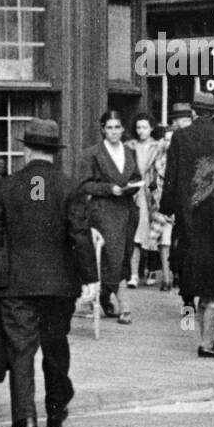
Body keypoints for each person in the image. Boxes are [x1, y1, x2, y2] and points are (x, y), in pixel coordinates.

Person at [0, 119, 99, 427]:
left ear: (26, 149)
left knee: (21, 350)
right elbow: (80, 236)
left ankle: (26, 420)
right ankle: (56, 409)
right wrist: (91, 278)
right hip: (60, 285)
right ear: (54, 152)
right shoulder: (71, 187)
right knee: (55, 345)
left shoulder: (4, 186)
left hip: (15, 283)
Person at [159, 91, 214, 311]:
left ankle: (187, 319)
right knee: (213, 271)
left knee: (187, 270)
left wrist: (167, 207)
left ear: (193, 112)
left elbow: (171, 176)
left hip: (188, 212)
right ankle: (208, 311)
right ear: (213, 113)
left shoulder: (180, 137)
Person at [78, 111, 140, 324]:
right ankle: (125, 307)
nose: (114, 131)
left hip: (127, 210)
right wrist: (108, 188)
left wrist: (131, 187)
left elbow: (136, 177)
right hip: (104, 211)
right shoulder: (93, 153)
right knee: (113, 257)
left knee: (124, 254)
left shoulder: (129, 151)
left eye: (117, 127)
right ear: (103, 129)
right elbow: (85, 184)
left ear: (123, 129)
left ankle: (104, 296)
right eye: (110, 127)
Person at [181, 156, 214, 358]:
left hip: (196, 254)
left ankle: (205, 341)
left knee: (203, 300)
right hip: (212, 256)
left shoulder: (197, 197)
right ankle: (207, 343)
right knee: (213, 300)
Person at [127, 112, 161, 286]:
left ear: (151, 128)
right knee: (137, 234)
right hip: (136, 192)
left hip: (153, 192)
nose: (141, 131)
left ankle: (152, 270)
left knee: (154, 232)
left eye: (144, 127)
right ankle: (133, 274)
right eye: (138, 127)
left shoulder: (158, 146)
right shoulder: (130, 146)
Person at [150, 125, 176, 291]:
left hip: (178, 207)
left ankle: (175, 276)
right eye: (166, 139)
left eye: (172, 140)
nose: (168, 143)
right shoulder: (158, 160)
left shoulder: (182, 160)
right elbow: (153, 184)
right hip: (161, 204)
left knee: (176, 243)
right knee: (164, 241)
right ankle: (166, 279)